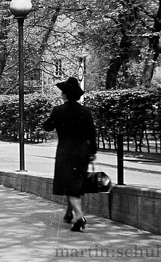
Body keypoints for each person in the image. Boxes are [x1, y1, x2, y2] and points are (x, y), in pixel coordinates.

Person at [42, 77, 97, 232]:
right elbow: (91, 133)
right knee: (76, 183)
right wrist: (92, 151)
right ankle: (69, 212)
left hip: (65, 151)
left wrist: (49, 121)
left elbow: (47, 127)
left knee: (69, 183)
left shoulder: (58, 110)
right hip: (82, 151)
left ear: (65, 94)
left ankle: (79, 217)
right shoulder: (85, 111)